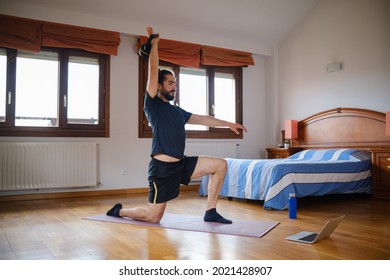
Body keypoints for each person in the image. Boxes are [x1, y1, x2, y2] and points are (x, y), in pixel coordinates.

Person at [107, 26, 247, 224]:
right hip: (161, 171)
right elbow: (153, 70)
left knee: (220, 165)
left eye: (175, 83)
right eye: (171, 83)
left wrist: (229, 123)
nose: (175, 86)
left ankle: (211, 211)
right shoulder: (153, 106)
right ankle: (119, 211)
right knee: (153, 217)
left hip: (181, 165)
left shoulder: (178, 112)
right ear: (159, 86)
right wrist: (154, 45)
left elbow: (202, 119)